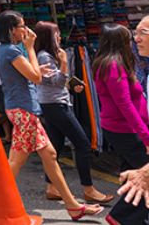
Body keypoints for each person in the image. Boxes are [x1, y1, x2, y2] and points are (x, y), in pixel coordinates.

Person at [0, 10, 102, 221]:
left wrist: (36, 64)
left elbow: (30, 73)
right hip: (23, 109)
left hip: (23, 108)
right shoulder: (11, 51)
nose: (25, 30)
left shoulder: (9, 50)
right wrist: (30, 50)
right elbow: (35, 77)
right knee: (16, 161)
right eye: (22, 26)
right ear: (11, 30)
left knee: (49, 155)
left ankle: (72, 206)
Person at [34, 21, 112, 204]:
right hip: (56, 105)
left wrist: (71, 85)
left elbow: (54, 83)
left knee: (56, 145)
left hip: (53, 103)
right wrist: (63, 63)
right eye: (56, 34)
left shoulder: (46, 55)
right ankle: (88, 189)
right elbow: (56, 82)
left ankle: (51, 187)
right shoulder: (46, 56)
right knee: (83, 144)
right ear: (48, 37)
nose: (60, 37)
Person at [92, 22, 149, 225]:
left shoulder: (108, 63)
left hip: (121, 128)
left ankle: (131, 218)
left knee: (132, 171)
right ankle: (121, 216)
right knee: (145, 175)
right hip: (125, 130)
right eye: (131, 37)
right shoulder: (113, 66)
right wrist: (146, 136)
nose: (135, 40)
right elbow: (125, 105)